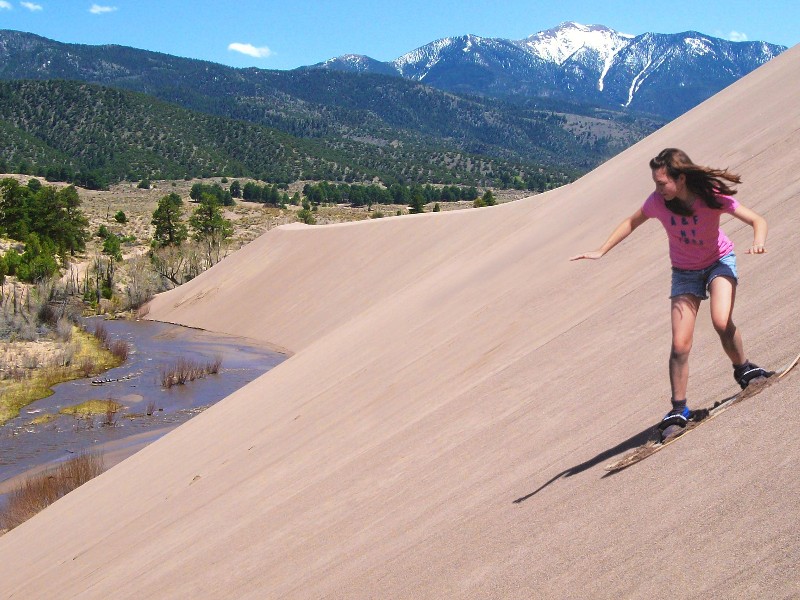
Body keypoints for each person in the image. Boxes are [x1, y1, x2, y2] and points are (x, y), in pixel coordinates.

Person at [570, 148, 772, 429]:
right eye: (655, 183)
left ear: (681, 179)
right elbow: (631, 222)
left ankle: (745, 369)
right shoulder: (658, 203)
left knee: (721, 320)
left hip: (718, 262)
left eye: (662, 183)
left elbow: (756, 220)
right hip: (685, 273)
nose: (657, 189)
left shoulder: (710, 197)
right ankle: (678, 410)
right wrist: (601, 251)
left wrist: (758, 240)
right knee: (679, 345)